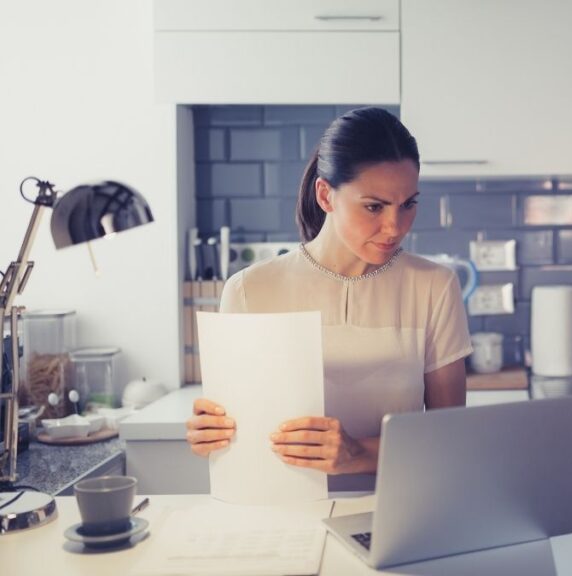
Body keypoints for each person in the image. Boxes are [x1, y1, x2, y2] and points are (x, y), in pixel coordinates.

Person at [184, 107, 472, 490]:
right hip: (282, 510)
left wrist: (359, 455)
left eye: (408, 204)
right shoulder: (248, 291)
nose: (395, 227)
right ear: (325, 195)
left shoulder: (434, 286)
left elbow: (451, 440)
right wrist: (211, 435)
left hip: (398, 507)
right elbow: (236, 434)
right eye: (374, 206)